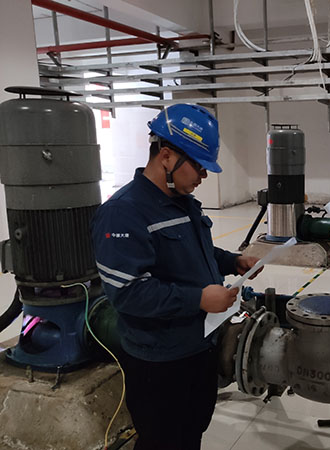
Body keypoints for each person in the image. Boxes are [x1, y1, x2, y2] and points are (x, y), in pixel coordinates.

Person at [91, 104, 260, 450]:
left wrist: (232, 261)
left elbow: (193, 253)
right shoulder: (123, 213)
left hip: (198, 347)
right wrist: (199, 298)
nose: (203, 176)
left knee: (191, 432)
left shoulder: (183, 202)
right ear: (166, 156)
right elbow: (128, 293)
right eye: (198, 165)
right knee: (163, 440)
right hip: (159, 362)